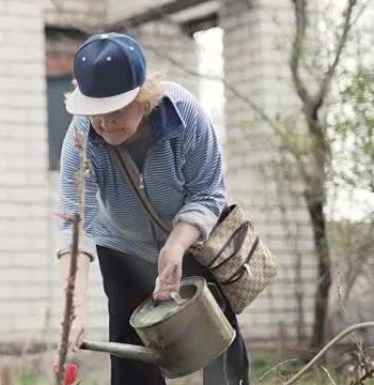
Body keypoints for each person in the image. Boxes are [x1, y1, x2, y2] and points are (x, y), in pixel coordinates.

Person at [55, 32, 250, 385]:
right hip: (122, 247)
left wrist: (176, 246)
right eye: (95, 111)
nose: (103, 122)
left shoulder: (185, 115)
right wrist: (75, 309)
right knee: (130, 355)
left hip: (190, 238)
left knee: (221, 342)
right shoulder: (82, 135)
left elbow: (208, 193)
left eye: (113, 110)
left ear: (142, 98)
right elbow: (73, 219)